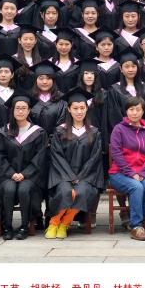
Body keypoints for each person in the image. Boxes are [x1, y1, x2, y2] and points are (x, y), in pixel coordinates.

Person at [46, 89, 106, 239]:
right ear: (69, 109)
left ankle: (64, 223)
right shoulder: (60, 131)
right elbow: (57, 157)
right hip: (63, 175)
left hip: (87, 176)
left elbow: (95, 158)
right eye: (75, 108)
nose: (79, 112)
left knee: (80, 192)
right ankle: (54, 223)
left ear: (87, 109)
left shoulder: (94, 132)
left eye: (82, 108)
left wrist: (81, 177)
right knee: (67, 192)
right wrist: (71, 177)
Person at [0, 95, 46, 240]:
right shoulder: (3, 132)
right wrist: (11, 173)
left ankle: (24, 226)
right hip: (7, 175)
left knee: (24, 189)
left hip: (31, 177)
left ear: (29, 111)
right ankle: (7, 226)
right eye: (17, 108)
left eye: (23, 108)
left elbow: (40, 157)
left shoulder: (38, 132)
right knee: (9, 188)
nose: (20, 111)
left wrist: (25, 174)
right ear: (12, 110)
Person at [109, 97, 145, 241]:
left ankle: (134, 216)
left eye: (138, 109)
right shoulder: (119, 129)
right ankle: (136, 226)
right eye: (131, 109)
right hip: (119, 173)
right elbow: (116, 153)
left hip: (142, 172)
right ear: (126, 111)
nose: (134, 113)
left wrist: (143, 172)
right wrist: (131, 173)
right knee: (137, 187)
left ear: (143, 111)